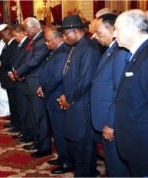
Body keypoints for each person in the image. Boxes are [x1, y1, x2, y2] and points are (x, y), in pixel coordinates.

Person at [57, 15, 101, 176]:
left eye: (65, 34)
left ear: (75, 31)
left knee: (85, 151)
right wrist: (64, 94)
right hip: (74, 103)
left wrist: (69, 98)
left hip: (82, 106)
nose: (63, 37)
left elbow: (85, 80)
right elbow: (70, 75)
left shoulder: (88, 48)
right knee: (78, 149)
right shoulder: (77, 46)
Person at [90, 14, 130, 177]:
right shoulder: (110, 50)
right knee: (111, 164)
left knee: (116, 167)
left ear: (112, 30)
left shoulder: (119, 53)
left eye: (99, 32)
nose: (95, 36)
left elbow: (118, 90)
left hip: (110, 122)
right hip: (104, 118)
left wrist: (111, 123)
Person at [114, 9, 148, 177]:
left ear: (133, 29)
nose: (114, 34)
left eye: (117, 29)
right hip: (136, 144)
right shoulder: (138, 53)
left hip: (145, 148)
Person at [37, 25, 73, 174]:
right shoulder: (56, 50)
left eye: (48, 40)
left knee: (61, 131)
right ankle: (62, 157)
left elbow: (57, 76)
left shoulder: (63, 52)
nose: (46, 43)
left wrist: (44, 89)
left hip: (57, 96)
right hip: (51, 96)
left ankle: (67, 162)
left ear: (58, 38)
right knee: (56, 131)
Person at [14, 17, 51, 158]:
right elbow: (26, 60)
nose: (26, 32)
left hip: (36, 83)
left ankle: (44, 146)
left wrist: (19, 72)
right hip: (29, 82)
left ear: (34, 27)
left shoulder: (41, 40)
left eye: (27, 29)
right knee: (34, 116)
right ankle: (37, 142)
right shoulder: (34, 39)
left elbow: (34, 61)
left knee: (40, 116)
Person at [8, 24, 33, 144]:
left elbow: (27, 62)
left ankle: (27, 133)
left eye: (15, 35)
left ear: (23, 32)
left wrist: (17, 73)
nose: (14, 38)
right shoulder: (20, 44)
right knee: (21, 109)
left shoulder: (28, 43)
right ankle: (24, 132)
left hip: (23, 80)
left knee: (25, 110)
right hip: (18, 78)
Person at [0, 26, 20, 132]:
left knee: (15, 103)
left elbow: (10, 60)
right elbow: (2, 57)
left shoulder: (14, 44)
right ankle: (13, 121)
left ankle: (16, 124)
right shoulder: (8, 44)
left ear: (8, 33)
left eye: (3, 36)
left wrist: (2, 63)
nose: (2, 38)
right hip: (7, 78)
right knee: (12, 101)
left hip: (11, 78)